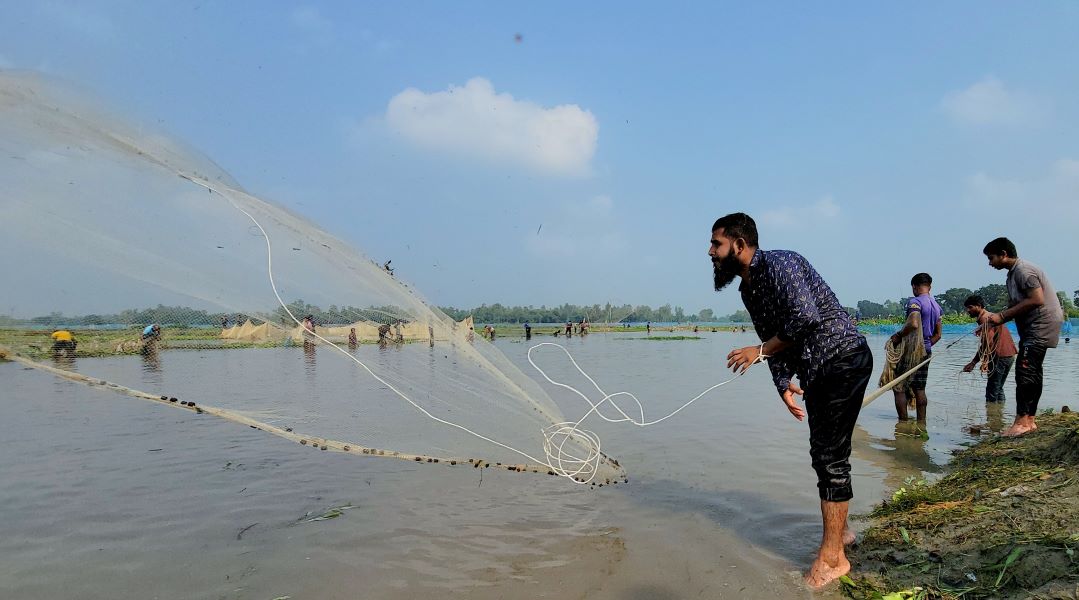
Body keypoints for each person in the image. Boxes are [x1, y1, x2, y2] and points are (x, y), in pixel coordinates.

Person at [710, 212, 871, 589]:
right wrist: (782, 382)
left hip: (842, 359)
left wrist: (759, 350)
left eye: (716, 244)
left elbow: (804, 318)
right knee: (825, 453)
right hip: (819, 371)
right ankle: (842, 533)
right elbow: (772, 339)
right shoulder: (748, 289)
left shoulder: (782, 263)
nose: (710, 252)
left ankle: (833, 558)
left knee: (831, 456)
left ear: (738, 244)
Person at [982, 237, 1063, 436]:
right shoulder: (1012, 274)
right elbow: (1015, 306)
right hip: (1032, 327)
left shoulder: (1023, 271)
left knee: (1025, 372)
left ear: (1004, 254)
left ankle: (1021, 423)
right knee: (1033, 372)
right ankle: (1029, 421)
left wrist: (1001, 316)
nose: (990, 263)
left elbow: (1036, 299)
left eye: (991, 258)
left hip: (1040, 326)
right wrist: (996, 319)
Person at [888, 273, 942, 422]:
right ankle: (921, 422)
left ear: (914, 286)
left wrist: (899, 335)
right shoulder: (937, 306)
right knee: (920, 389)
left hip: (911, 352)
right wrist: (926, 346)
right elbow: (938, 335)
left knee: (899, 387)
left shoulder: (915, 302)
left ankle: (903, 423)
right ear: (929, 286)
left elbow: (913, 323)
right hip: (926, 351)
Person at [962, 295, 1016, 404]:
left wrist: (980, 361)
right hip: (1009, 354)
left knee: (991, 391)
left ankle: (992, 417)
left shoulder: (985, 318)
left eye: (970, 307)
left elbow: (988, 342)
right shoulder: (990, 316)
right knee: (998, 388)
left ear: (979, 306)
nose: (968, 311)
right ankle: (999, 415)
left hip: (999, 356)